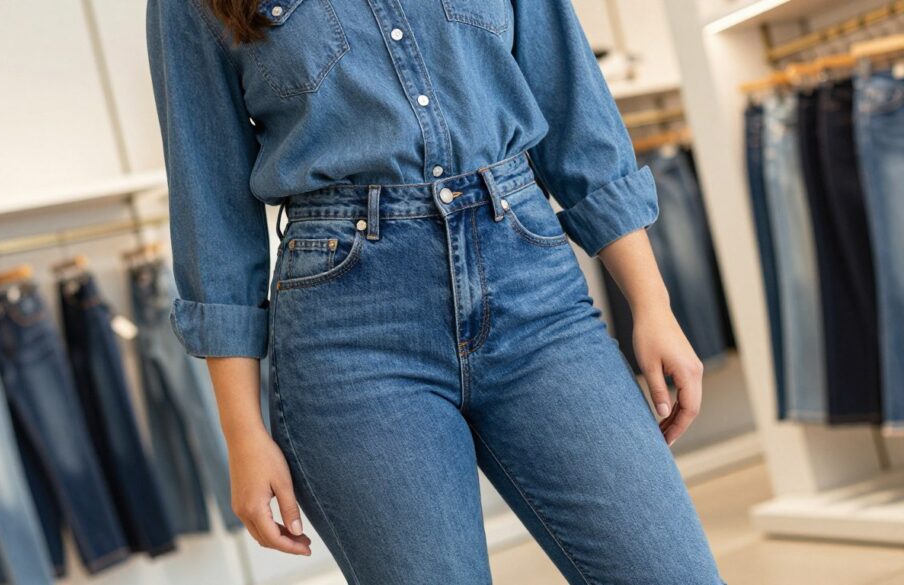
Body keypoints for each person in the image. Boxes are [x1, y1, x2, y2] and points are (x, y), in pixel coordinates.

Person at [146, 1, 726, 583]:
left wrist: (652, 304)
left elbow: (573, 104)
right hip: (352, 339)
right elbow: (211, 206)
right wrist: (242, 432)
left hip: (536, 300)